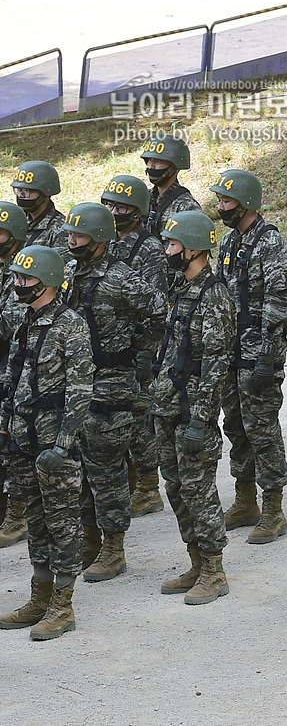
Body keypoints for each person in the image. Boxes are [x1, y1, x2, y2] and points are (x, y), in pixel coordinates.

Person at [59, 203, 167, 582]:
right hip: (76, 384)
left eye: (79, 235)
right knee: (81, 468)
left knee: (107, 472)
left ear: (101, 238)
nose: (72, 241)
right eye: (70, 234)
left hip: (112, 387)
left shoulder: (123, 279)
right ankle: (89, 540)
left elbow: (159, 313)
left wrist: (140, 353)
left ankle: (113, 547)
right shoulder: (70, 274)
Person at [0, 245, 91, 640]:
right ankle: (38, 598)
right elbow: (12, 375)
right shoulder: (23, 318)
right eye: (16, 278)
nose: (18, 284)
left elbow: (81, 389)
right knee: (35, 524)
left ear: (49, 280)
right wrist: (4, 425)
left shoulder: (71, 325)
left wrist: (63, 445)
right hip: (23, 442)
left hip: (56, 447)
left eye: (26, 279)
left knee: (63, 526)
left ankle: (62, 606)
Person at [149, 211, 234, 605]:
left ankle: (215, 571)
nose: (167, 251)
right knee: (176, 488)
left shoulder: (213, 296)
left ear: (194, 249)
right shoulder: (180, 288)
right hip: (167, 409)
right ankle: (196, 562)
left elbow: (216, 364)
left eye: (172, 245)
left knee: (198, 490)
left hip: (191, 414)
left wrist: (201, 420)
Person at [209, 169, 287, 544]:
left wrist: (266, 359)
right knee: (236, 428)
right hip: (231, 354)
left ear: (245, 204)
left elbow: (278, 305)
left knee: (263, 430)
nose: (220, 207)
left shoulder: (271, 245)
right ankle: (245, 501)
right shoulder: (228, 244)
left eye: (226, 201)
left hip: (260, 355)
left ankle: (273, 509)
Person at [101, 174, 170, 516]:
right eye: (109, 205)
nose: (113, 212)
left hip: (140, 347)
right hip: (111, 344)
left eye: (121, 206)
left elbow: (156, 305)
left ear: (138, 212)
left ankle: (148, 486)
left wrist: (146, 353)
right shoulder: (107, 242)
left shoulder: (150, 249)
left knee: (141, 416)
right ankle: (131, 481)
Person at [0, 203, 29, 546]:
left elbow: (9, 324)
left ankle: (17, 515)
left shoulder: (26, 270)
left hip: (16, 368)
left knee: (13, 446)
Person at [141, 135, 200, 241]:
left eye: (158, 161)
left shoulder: (186, 206)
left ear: (175, 166)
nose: (151, 166)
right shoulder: (144, 198)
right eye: (149, 160)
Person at [10, 161, 71, 264]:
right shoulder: (14, 219)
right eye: (19, 190)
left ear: (46, 193)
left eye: (28, 191)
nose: (21, 195)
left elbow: (57, 270)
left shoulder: (60, 230)